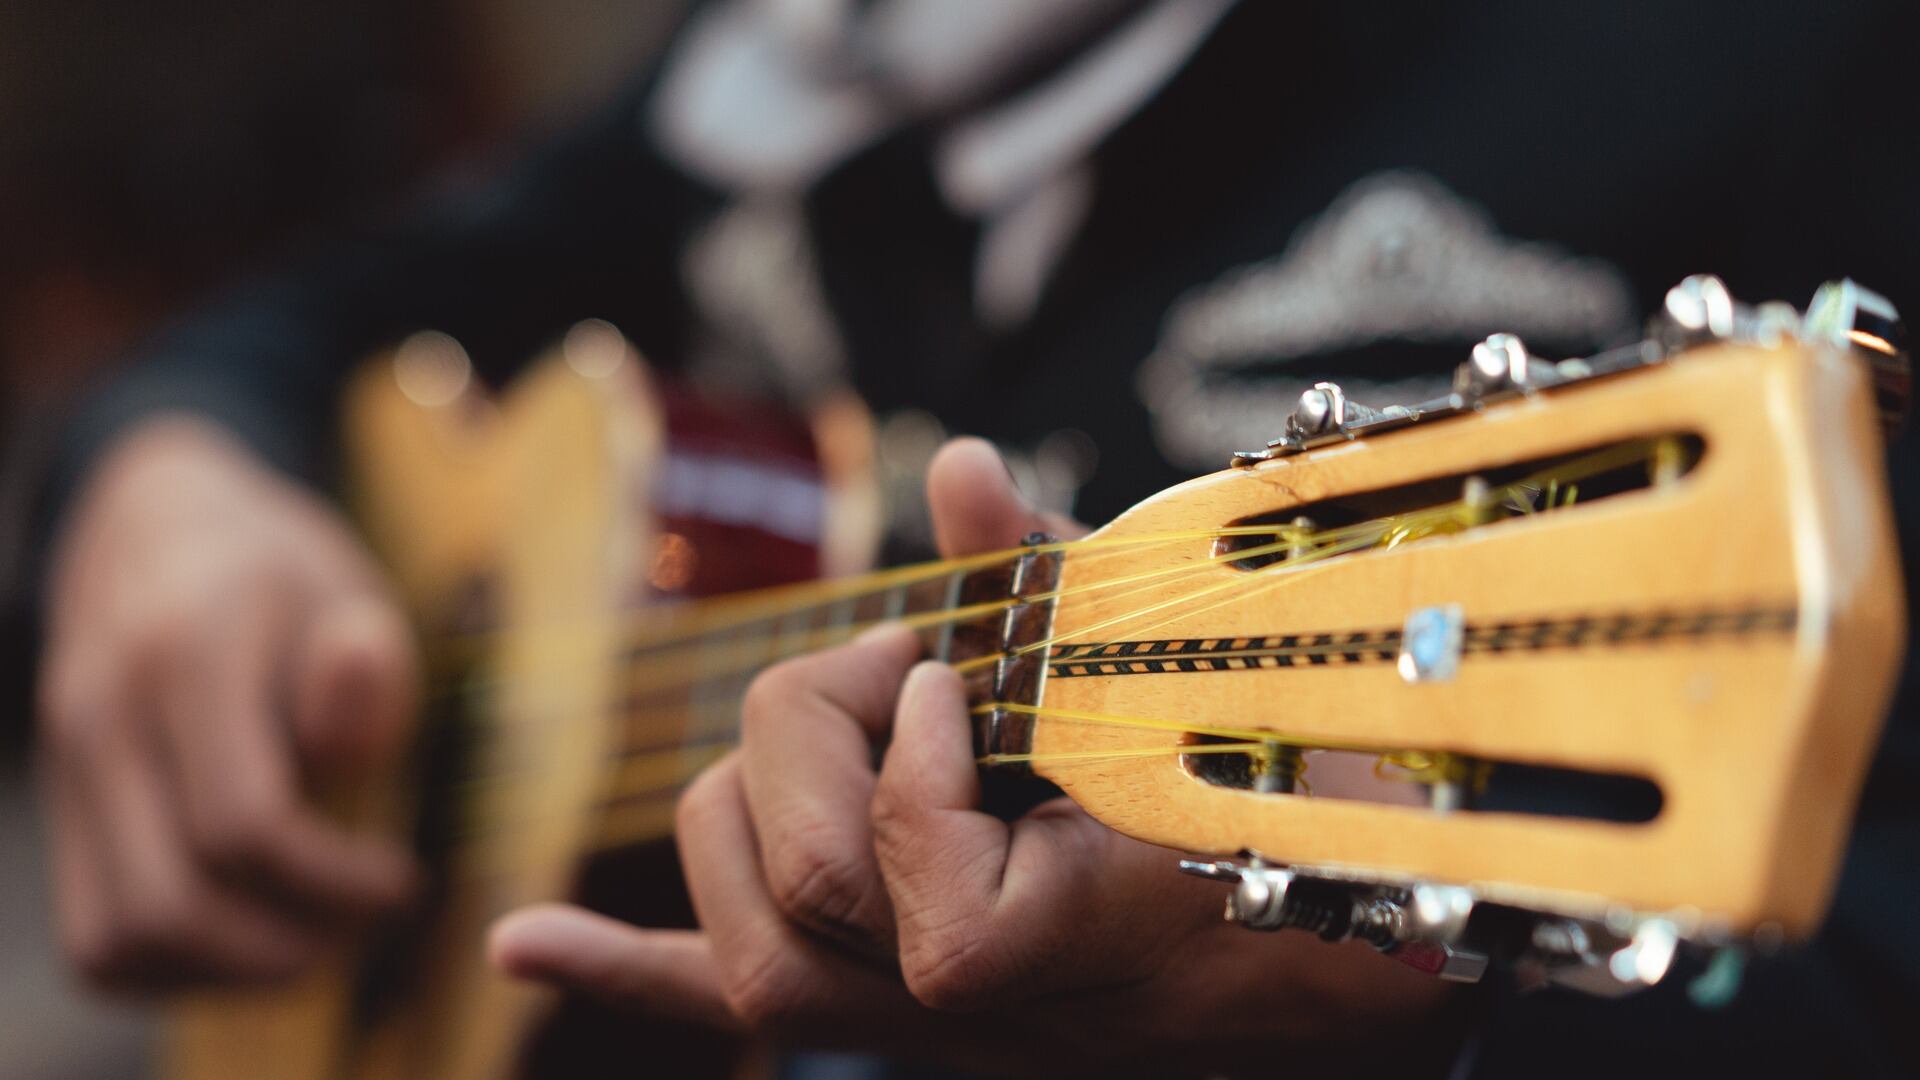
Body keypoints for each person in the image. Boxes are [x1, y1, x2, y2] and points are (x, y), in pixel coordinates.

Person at [26, 2, 1920, 1076]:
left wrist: (1392, 1004)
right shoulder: (804, 67)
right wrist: (161, 483)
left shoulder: (1786, 68)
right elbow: (345, 312)